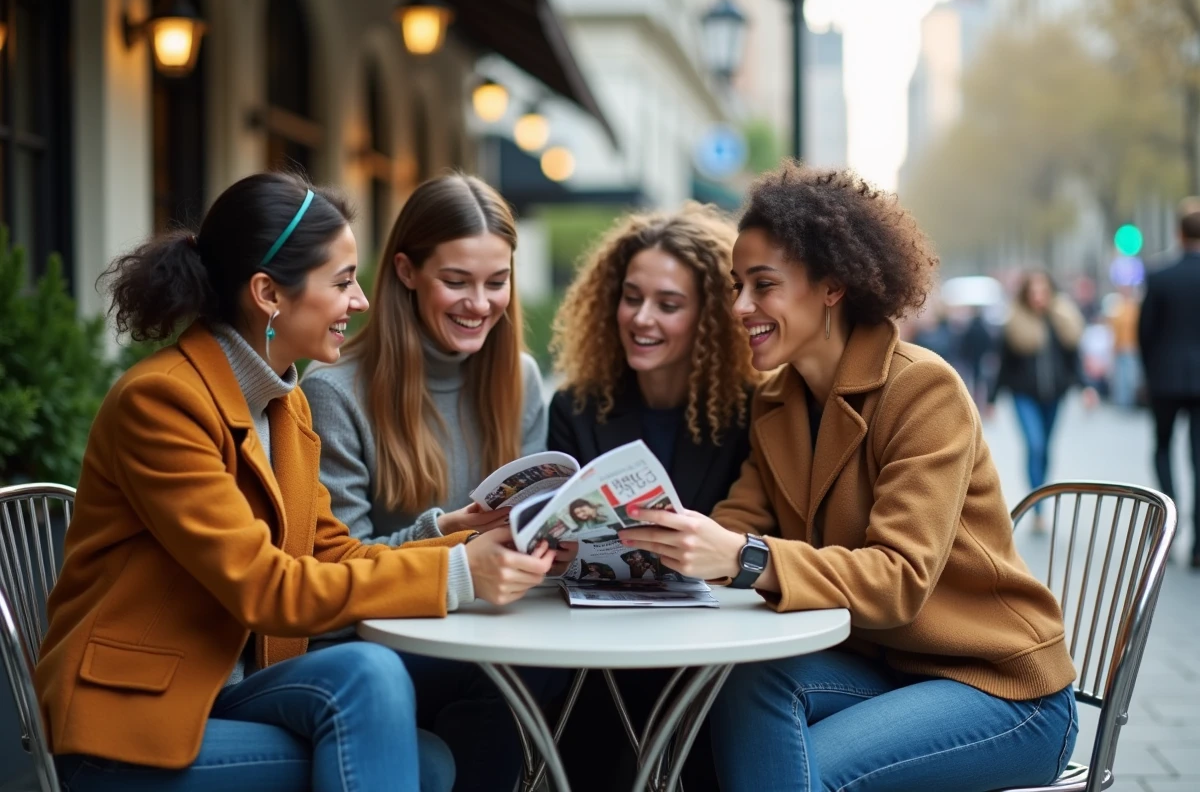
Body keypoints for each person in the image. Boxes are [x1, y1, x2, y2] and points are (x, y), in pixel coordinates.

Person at [35, 172, 555, 792]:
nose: (360, 301)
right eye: (341, 283)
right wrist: (462, 573)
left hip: (224, 690)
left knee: (404, 719)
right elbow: (265, 590)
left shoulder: (285, 405)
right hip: (125, 726)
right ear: (268, 294)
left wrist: (454, 537)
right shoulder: (162, 403)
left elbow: (335, 553)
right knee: (390, 708)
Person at [621, 162, 1079, 792]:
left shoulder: (923, 389)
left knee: (807, 772)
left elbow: (898, 579)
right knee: (745, 679)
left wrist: (743, 558)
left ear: (831, 286)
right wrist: (651, 545)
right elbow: (739, 522)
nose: (740, 307)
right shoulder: (778, 399)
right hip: (883, 667)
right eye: (736, 286)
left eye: (763, 285)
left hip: (999, 688)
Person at [300, 172, 558, 792]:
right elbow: (335, 575)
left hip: (484, 633)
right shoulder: (333, 392)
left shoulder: (517, 377)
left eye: (497, 282)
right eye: (456, 281)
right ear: (407, 272)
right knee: (511, 679)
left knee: (547, 674)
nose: (480, 304)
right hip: (376, 649)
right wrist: (449, 539)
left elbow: (526, 529)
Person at [548, 203, 758, 792]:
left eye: (668, 304)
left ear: (710, 317)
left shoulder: (750, 413)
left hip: (709, 648)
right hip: (597, 646)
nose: (642, 318)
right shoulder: (576, 407)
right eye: (631, 297)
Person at [988, 268, 1088, 531]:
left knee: (1045, 448)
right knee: (1035, 444)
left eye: (1042, 291)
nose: (1038, 297)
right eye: (1033, 291)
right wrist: (991, 399)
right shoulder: (1014, 322)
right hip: (1023, 395)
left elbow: (1072, 358)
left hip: (1055, 395)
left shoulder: (1061, 320)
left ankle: (1041, 490)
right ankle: (1038, 507)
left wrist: (1086, 387)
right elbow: (1003, 365)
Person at [1139, 198, 1200, 569]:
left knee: (1162, 448)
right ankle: (1199, 543)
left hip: (1164, 378)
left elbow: (1145, 332)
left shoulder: (1160, 276)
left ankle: (1168, 526)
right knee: (1199, 457)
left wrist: (1149, 372)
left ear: (1178, 232)